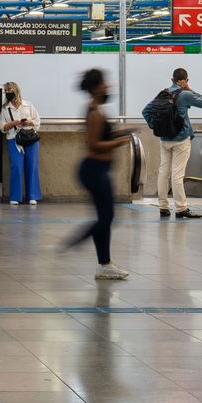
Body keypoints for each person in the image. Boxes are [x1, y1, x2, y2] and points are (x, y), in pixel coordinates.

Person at [68, 69, 133, 280]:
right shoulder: (94, 111)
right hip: (93, 169)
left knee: (106, 216)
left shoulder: (98, 109)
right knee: (107, 217)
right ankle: (77, 242)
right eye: (105, 83)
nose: (108, 86)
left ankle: (104, 264)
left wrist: (121, 132)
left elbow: (103, 135)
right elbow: (94, 144)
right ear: (96, 87)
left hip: (99, 169)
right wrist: (119, 141)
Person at [154, 67, 202, 219]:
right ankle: (181, 208)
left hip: (164, 139)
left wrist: (157, 126)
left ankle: (163, 207)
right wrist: (189, 88)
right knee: (177, 175)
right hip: (181, 139)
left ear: (172, 79)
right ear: (186, 80)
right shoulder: (185, 94)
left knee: (163, 172)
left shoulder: (162, 93)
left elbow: (146, 111)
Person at [0, 81, 41, 205]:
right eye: (6, 91)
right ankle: (15, 196)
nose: (7, 93)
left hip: (30, 138)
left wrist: (29, 122)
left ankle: (32, 195)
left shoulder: (28, 105)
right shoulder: (5, 108)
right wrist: (14, 123)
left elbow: (37, 120)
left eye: (9, 90)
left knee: (32, 166)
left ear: (16, 90)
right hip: (14, 139)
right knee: (16, 166)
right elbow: (2, 127)